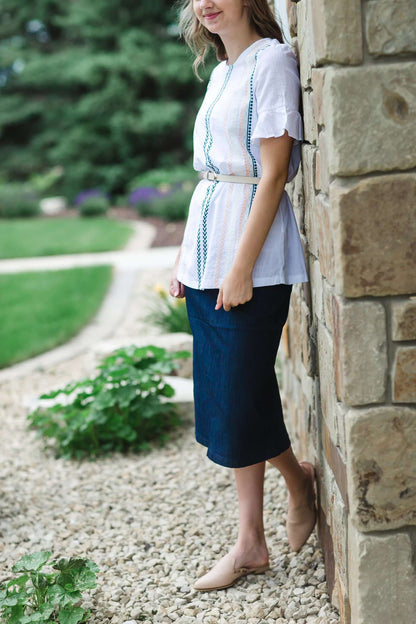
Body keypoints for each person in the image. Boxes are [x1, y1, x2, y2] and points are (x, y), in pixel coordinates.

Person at [169, 0, 317, 591]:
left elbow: (274, 175)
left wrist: (240, 267)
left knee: (235, 399)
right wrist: (189, 258)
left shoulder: (272, 63)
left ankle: (256, 533)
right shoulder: (224, 73)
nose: (206, 4)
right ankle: (279, 505)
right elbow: (213, 176)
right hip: (207, 257)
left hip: (247, 262)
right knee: (236, 396)